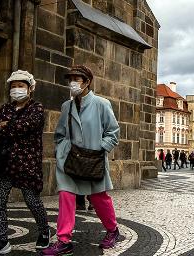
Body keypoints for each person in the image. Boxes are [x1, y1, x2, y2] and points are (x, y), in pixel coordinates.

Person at [42, 65, 120, 255]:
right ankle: (64, 240)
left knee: (98, 197)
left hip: (93, 159)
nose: (73, 83)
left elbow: (113, 132)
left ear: (87, 82)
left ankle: (113, 230)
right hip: (71, 159)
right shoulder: (66, 106)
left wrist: (100, 148)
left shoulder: (102, 104)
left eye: (77, 79)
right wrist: (62, 150)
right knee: (66, 195)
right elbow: (60, 133)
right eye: (71, 79)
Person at [0, 70, 50, 256]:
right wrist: (7, 126)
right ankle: (1, 241)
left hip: (27, 163)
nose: (16, 89)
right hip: (5, 162)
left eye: (20, 86)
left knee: (32, 200)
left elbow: (25, 126)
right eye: (13, 86)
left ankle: (44, 231)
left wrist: (7, 125)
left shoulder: (37, 108)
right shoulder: (6, 108)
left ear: (30, 88)